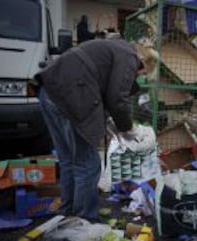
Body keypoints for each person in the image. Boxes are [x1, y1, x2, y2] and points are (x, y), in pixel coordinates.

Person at [35, 37, 159, 222]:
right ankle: (83, 221)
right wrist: (128, 129)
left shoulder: (116, 48)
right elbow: (117, 99)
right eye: (141, 74)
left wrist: (109, 121)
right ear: (143, 64)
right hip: (71, 96)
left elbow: (102, 88)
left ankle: (67, 212)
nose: (138, 77)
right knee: (88, 164)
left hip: (50, 91)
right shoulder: (129, 57)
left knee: (69, 159)